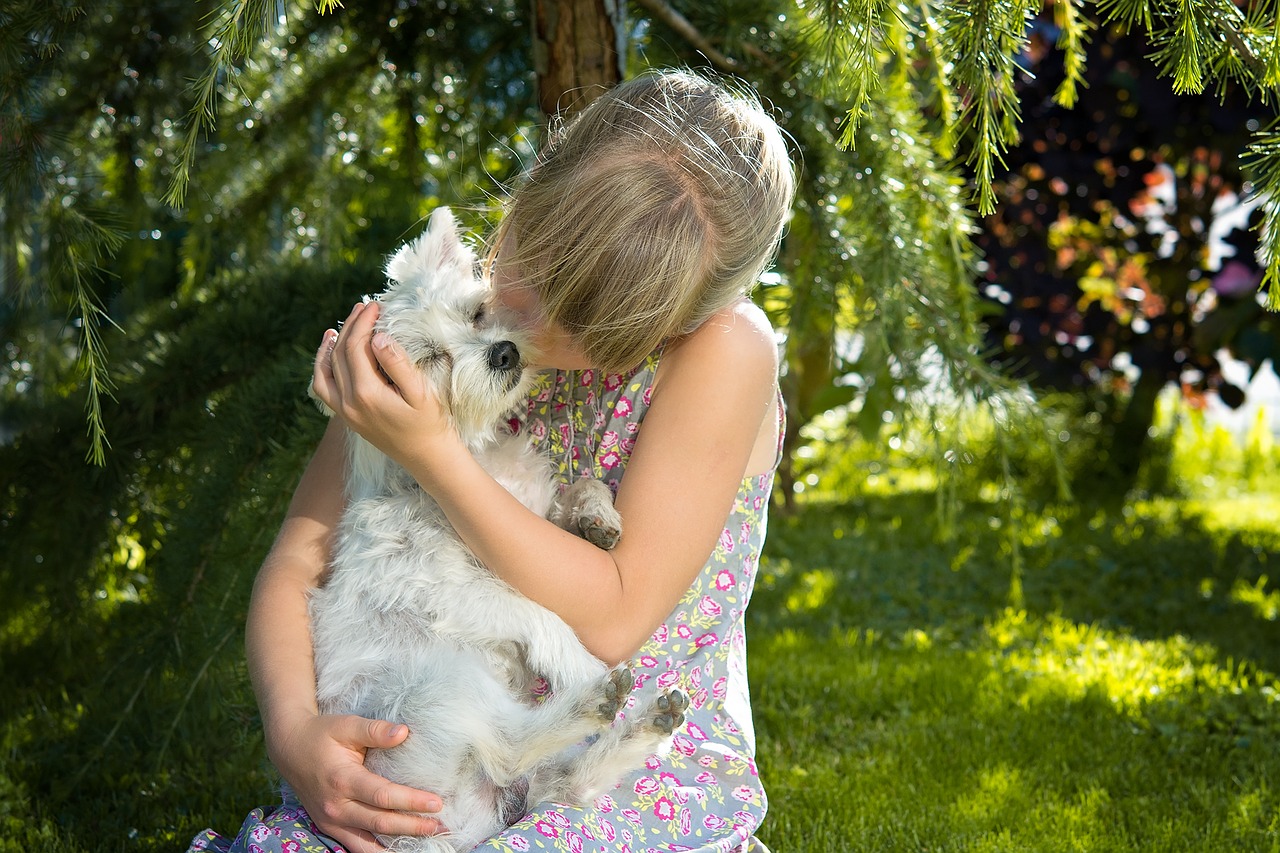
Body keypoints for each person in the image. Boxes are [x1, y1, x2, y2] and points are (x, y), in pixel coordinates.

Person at [187, 68, 795, 853]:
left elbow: (611, 614)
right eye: (529, 262)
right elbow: (300, 560)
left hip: (621, 770)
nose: (522, 319)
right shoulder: (452, 307)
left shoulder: (724, 353)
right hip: (436, 748)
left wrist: (432, 453)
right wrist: (296, 732)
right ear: (538, 186)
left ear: (676, 319)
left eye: (582, 318)